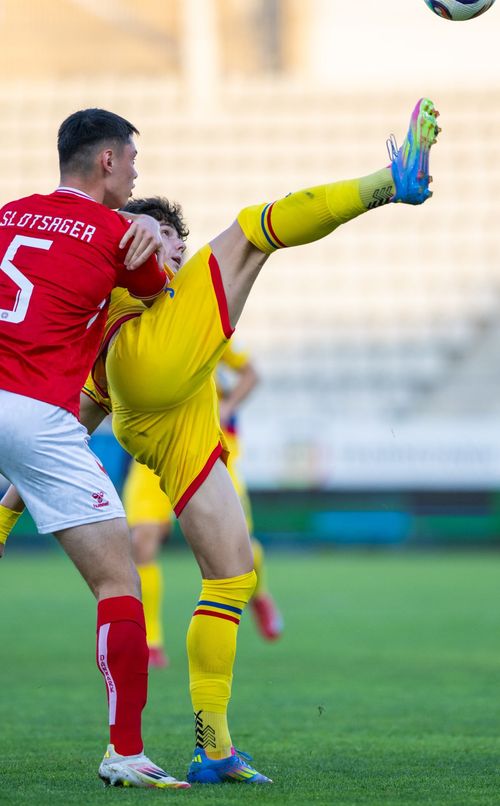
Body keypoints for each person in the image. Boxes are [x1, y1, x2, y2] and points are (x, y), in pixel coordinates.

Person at [0, 98, 440, 785]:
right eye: (169, 238)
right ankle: (390, 183)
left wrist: (7, 507)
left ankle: (214, 747)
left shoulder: (80, 250)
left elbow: (74, 418)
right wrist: (138, 233)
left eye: (173, 241)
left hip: (166, 422)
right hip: (148, 368)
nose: (177, 250)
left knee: (231, 573)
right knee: (250, 233)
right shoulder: (138, 263)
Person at [0, 108, 190, 789]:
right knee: (119, 583)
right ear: (108, 161)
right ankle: (126, 752)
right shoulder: (118, 232)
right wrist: (141, 233)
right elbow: (157, 290)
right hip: (32, 412)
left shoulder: (9, 212)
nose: (137, 171)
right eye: (132, 159)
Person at [121, 329, 283, 669]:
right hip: (153, 448)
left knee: (239, 548)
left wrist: (229, 403)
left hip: (208, 447)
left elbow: (251, 373)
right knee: (142, 540)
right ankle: (151, 640)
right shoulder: (131, 321)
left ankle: (261, 594)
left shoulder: (204, 324)